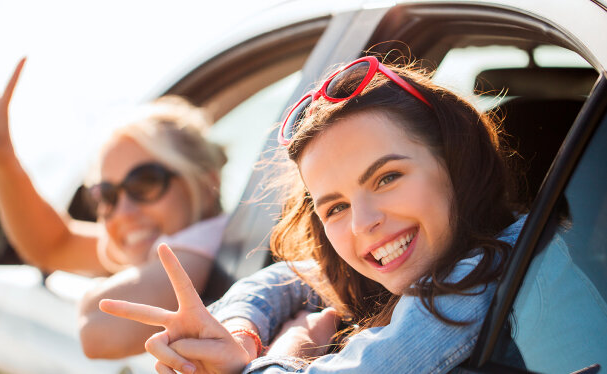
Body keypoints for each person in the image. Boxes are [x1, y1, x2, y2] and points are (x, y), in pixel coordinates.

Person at [100, 55, 527, 373]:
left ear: (456, 163)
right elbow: (291, 278)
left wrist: (287, 351)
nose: (362, 223)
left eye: (387, 178)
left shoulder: (481, 274)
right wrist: (240, 332)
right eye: (336, 206)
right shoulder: (421, 257)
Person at [0, 43, 229, 359]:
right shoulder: (181, 237)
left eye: (146, 183)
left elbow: (100, 330)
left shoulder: (205, 242)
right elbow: (53, 246)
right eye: (106, 196)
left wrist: (95, 293)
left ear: (206, 183)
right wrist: (2, 161)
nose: (123, 212)